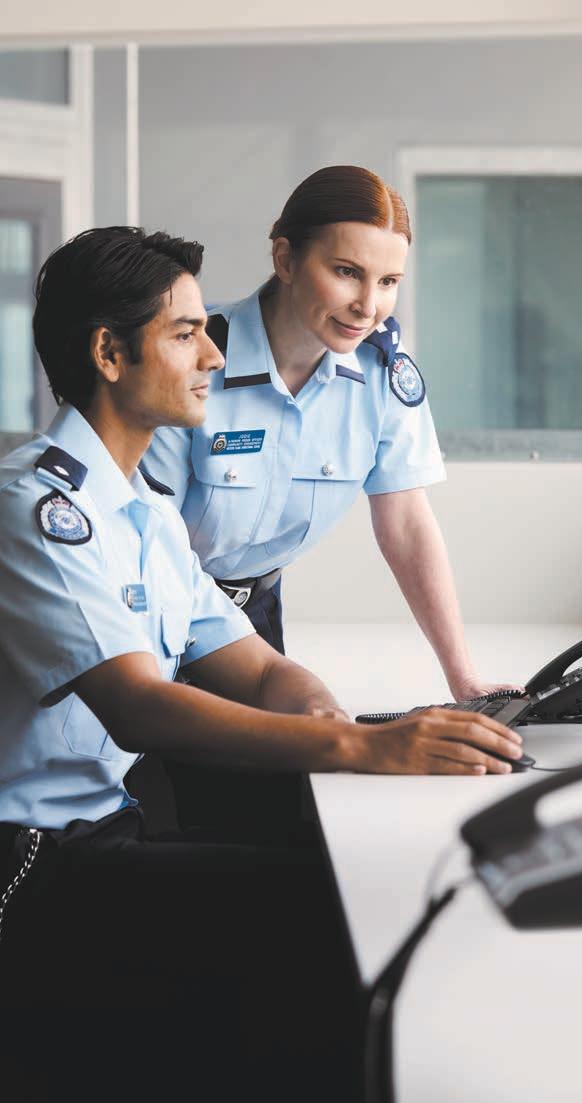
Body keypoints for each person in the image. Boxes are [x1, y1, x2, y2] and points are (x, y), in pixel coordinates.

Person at [0, 226, 524, 1099]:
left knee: (354, 887)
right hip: (31, 867)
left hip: (105, 829)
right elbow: (140, 705)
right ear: (109, 354)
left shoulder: (144, 513)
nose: (214, 355)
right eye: (185, 334)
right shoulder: (38, 510)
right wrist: (361, 748)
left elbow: (257, 667)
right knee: (335, 923)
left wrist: (331, 719)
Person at [145, 165, 508, 701]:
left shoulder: (383, 378)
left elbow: (406, 524)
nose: (368, 306)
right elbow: (147, 538)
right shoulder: (192, 357)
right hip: (155, 607)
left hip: (254, 616)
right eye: (346, 272)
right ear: (286, 259)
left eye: (388, 282)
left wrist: (465, 680)